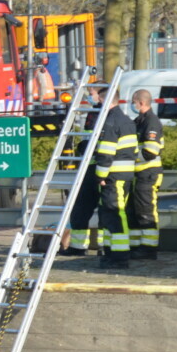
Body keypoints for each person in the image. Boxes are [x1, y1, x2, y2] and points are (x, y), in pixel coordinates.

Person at [94, 92, 138, 268]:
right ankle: (111, 253)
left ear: (103, 100)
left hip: (113, 175)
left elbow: (106, 152)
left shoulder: (110, 122)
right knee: (113, 213)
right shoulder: (126, 120)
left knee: (114, 214)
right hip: (125, 174)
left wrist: (101, 175)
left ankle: (119, 257)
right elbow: (133, 151)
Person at [63, 87, 102, 257]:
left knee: (105, 211)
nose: (89, 97)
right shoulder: (93, 113)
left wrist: (88, 148)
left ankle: (103, 247)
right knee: (79, 209)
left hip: (102, 169)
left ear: (100, 95)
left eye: (91, 94)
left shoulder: (106, 115)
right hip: (88, 168)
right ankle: (77, 247)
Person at [127, 89, 164, 261]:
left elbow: (150, 151)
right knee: (134, 211)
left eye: (133, 102)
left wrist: (129, 157)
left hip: (148, 172)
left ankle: (149, 248)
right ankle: (136, 246)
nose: (132, 105)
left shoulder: (151, 122)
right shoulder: (140, 121)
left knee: (146, 211)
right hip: (139, 173)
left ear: (140, 103)